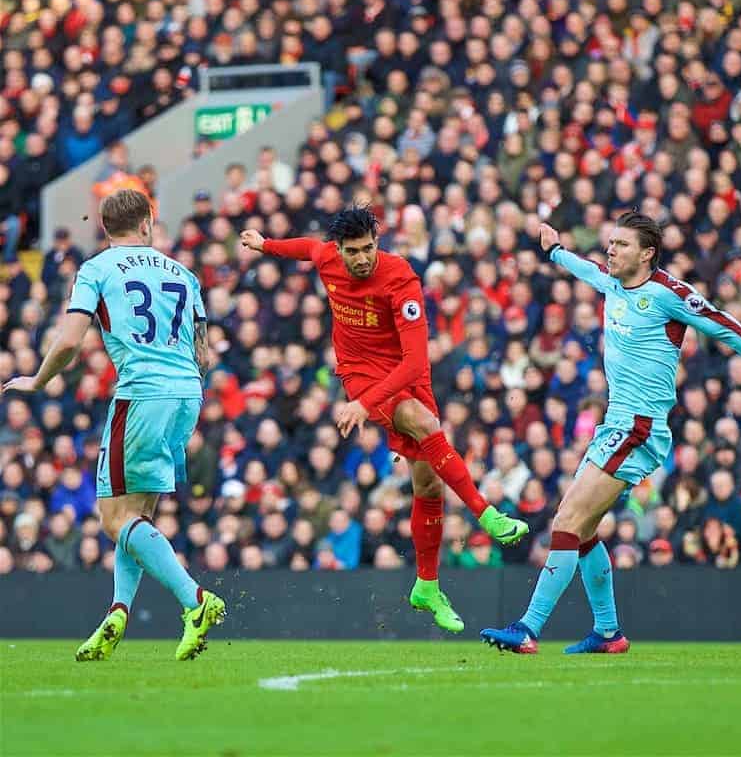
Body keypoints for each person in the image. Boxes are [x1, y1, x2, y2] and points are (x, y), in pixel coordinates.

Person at [480, 210, 741, 654]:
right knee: (582, 531)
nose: (611, 250)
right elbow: (588, 269)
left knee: (566, 521)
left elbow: (727, 328)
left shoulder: (668, 294)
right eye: (611, 242)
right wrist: (556, 249)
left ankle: (528, 627)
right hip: (614, 425)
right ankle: (607, 633)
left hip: (639, 427)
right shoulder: (612, 282)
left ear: (647, 253)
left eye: (620, 244)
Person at [240, 207, 528, 633]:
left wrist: (364, 403)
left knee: (427, 480)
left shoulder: (399, 277)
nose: (361, 258)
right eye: (352, 251)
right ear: (340, 249)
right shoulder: (329, 259)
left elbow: (415, 361)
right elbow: (307, 249)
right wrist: (266, 245)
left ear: (378, 242)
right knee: (426, 426)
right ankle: (486, 513)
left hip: (406, 375)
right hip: (361, 376)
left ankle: (427, 586)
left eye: (367, 248)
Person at [2, 189, 225, 662]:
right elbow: (203, 352)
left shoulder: (98, 269)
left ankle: (197, 601)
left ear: (105, 229)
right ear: (147, 223)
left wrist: (38, 380)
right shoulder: (183, 273)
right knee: (136, 512)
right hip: (187, 392)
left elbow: (69, 342)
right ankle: (119, 609)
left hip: (142, 392)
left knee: (111, 517)